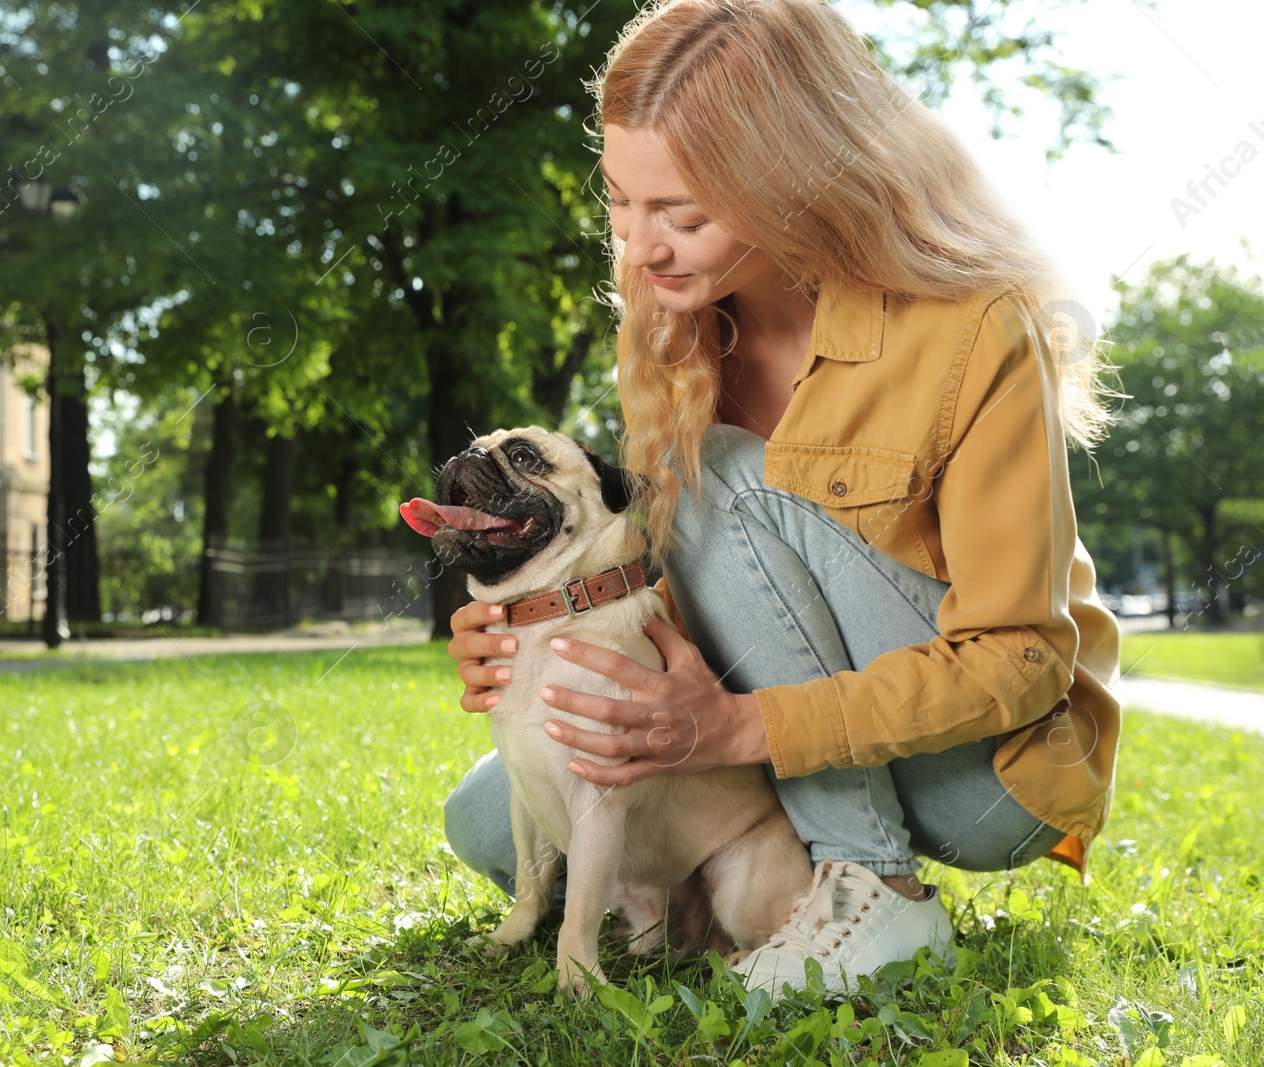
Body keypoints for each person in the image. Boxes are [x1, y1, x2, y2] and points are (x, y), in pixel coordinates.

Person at [442, 0, 1122, 1000]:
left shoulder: (974, 324)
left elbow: (1020, 656)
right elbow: (714, 585)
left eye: (680, 214)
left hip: (981, 773)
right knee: (487, 819)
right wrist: (526, 624)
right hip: (783, 737)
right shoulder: (672, 319)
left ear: (797, 184)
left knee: (720, 468)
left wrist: (732, 731)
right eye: (622, 203)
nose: (637, 249)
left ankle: (871, 885)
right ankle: (752, 888)